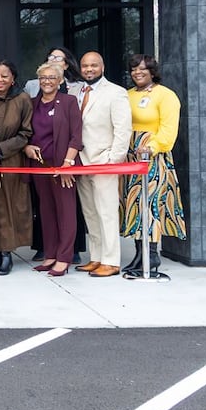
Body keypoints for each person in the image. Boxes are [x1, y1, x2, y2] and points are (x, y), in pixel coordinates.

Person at [121, 54, 187, 276]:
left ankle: (152, 256)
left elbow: (169, 130)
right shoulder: (127, 95)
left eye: (142, 69)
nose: (137, 72)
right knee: (135, 207)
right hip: (129, 157)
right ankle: (139, 255)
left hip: (152, 157)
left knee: (150, 206)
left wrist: (152, 146)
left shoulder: (165, 95)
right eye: (133, 69)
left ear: (152, 71)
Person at [75, 51, 133, 278]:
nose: (89, 69)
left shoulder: (116, 93)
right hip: (81, 162)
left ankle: (111, 260)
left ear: (102, 67)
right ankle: (96, 257)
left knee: (107, 212)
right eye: (85, 66)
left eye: (93, 65)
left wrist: (113, 160)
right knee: (90, 212)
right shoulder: (76, 90)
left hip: (104, 162)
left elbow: (123, 129)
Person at [24, 61, 83, 277]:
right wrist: (27, 147)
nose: (46, 81)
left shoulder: (68, 102)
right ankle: (50, 254)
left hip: (62, 167)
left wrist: (68, 164)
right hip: (40, 167)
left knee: (66, 213)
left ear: (59, 81)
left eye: (51, 78)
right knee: (46, 212)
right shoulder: (32, 103)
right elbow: (26, 133)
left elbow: (77, 136)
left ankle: (64, 258)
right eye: (43, 78)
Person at [0, 60, 34, 276]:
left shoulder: (22, 99)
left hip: (11, 159)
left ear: (13, 78)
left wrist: (1, 149)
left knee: (7, 206)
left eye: (4, 76)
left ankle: (6, 254)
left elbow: (26, 133)